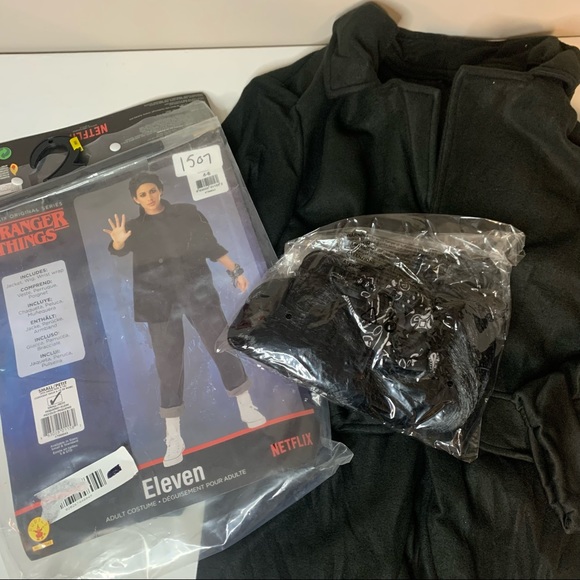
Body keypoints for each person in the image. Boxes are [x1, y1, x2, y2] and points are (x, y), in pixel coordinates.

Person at [103, 171, 266, 468]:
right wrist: (117, 243)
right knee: (168, 365)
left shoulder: (187, 213)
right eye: (143, 194)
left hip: (196, 292)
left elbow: (210, 245)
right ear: (135, 199)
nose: (149, 197)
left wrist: (235, 270)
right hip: (158, 301)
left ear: (161, 190)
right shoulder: (134, 228)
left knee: (220, 345)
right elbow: (118, 249)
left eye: (152, 190)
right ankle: (173, 436)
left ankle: (246, 405)